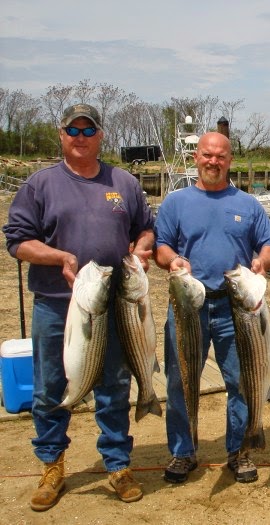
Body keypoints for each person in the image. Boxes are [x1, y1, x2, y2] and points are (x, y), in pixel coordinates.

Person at [3, 103, 155, 510]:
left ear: (101, 136)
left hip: (116, 304)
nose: (81, 137)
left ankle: (118, 464)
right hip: (57, 307)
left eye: (89, 131)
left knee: (113, 387)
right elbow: (17, 240)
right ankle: (52, 465)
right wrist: (60, 258)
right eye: (74, 130)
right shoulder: (40, 185)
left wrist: (142, 249)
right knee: (49, 387)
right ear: (61, 134)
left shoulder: (123, 182)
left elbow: (145, 228)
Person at [154, 131, 270, 484]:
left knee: (240, 382)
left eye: (220, 156)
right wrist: (175, 260)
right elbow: (160, 246)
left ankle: (239, 451)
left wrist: (263, 261)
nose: (213, 161)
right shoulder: (175, 202)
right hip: (187, 307)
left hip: (236, 309)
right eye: (207, 155)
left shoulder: (248, 204)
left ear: (229, 160)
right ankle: (183, 452)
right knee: (180, 382)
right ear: (196, 157)